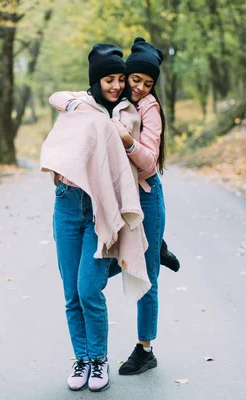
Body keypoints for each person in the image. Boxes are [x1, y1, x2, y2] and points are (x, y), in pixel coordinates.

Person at [50, 37, 167, 376]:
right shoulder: (106, 101)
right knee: (99, 271)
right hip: (112, 196)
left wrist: (127, 139)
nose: (139, 87)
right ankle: (152, 246)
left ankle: (145, 348)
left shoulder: (147, 108)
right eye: (135, 79)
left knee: (147, 270)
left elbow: (147, 165)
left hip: (143, 191)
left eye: (148, 83)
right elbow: (59, 97)